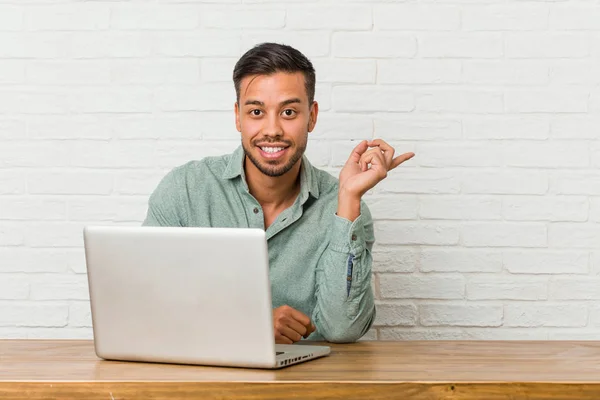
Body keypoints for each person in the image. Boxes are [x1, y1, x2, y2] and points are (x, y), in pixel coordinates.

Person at [142, 42, 415, 344]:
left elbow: (343, 329)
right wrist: (248, 325)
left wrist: (349, 199)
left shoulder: (345, 210)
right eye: (256, 111)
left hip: (312, 387)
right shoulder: (184, 191)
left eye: (288, 112)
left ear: (311, 116)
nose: (272, 129)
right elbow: (146, 305)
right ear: (238, 117)